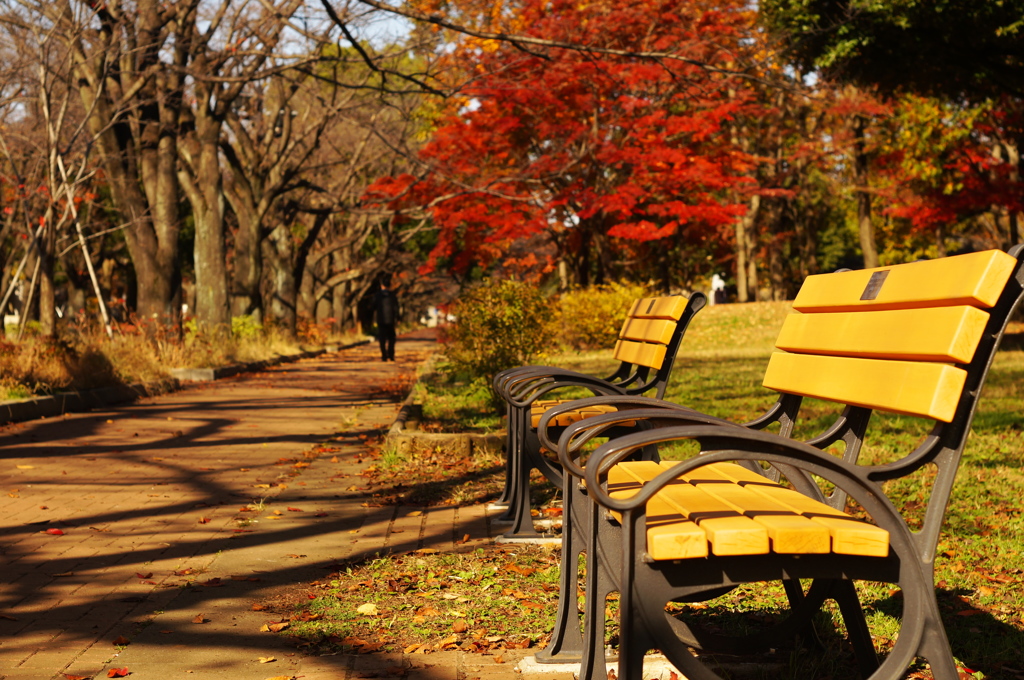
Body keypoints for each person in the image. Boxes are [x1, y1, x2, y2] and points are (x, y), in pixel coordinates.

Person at [374, 273, 398, 361]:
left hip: (381, 320)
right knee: (391, 338)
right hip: (391, 320)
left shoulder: (377, 295)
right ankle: (391, 355)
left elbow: (372, 306)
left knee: (382, 338)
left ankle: (384, 355)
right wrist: (397, 318)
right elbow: (396, 308)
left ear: (381, 285)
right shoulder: (393, 295)